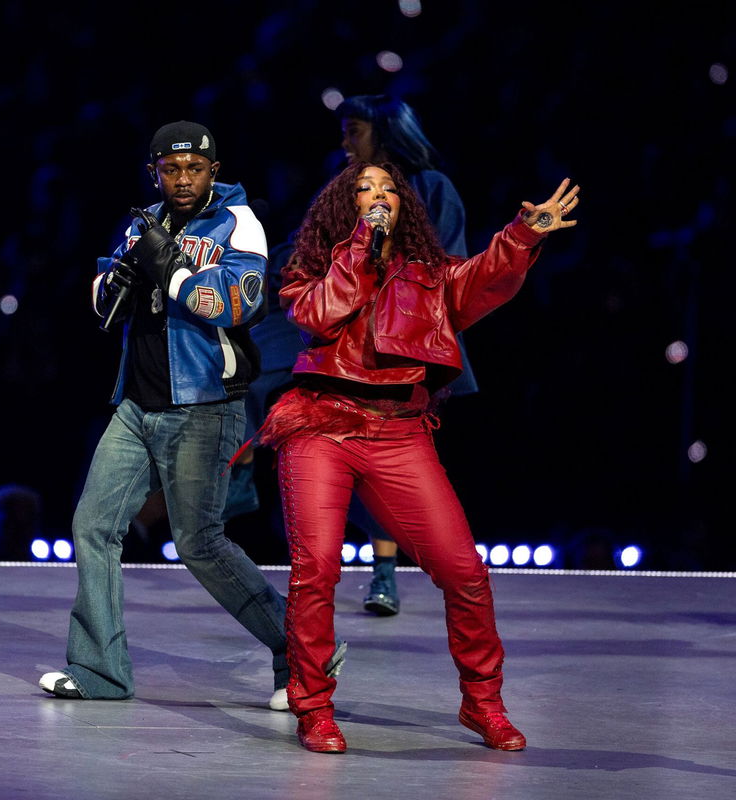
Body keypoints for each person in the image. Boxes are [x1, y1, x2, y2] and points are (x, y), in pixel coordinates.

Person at [259, 159, 579, 752]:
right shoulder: (307, 269)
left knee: (464, 571)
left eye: (388, 190)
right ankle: (314, 708)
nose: (379, 196)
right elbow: (323, 311)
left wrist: (521, 235)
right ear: (343, 205)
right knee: (317, 571)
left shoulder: (430, 275)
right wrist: (361, 243)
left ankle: (482, 702)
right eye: (364, 189)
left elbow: (485, 278)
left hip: (398, 430)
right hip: (320, 427)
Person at [39, 121, 344, 708]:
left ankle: (308, 651)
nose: (183, 179)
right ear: (154, 171)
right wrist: (119, 282)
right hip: (136, 403)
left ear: (214, 170)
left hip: (206, 405)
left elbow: (239, 303)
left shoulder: (239, 221)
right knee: (92, 528)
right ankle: (101, 673)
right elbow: (102, 306)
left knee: (200, 542)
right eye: (171, 169)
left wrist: (170, 271)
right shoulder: (140, 223)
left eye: (194, 168)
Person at [336, 94, 478, 616]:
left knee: (393, 459)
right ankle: (381, 573)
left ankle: (395, 573)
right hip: (350, 344)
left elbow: (450, 265)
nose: (346, 142)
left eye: (354, 130)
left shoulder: (431, 189)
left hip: (411, 348)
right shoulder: (340, 189)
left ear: (383, 132)